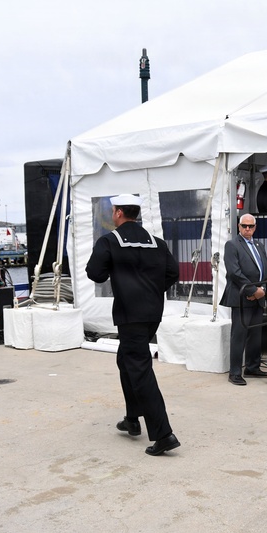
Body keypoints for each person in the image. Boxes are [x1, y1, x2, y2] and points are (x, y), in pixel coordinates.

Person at [85, 194, 182, 456]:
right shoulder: (156, 242)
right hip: (152, 313)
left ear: (118, 213)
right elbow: (173, 273)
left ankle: (163, 434)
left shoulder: (109, 241)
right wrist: (152, 290)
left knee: (140, 369)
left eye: (113, 210)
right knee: (125, 359)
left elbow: (95, 273)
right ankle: (132, 419)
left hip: (130, 315)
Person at [222, 213, 267, 385]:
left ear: (255, 227)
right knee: (239, 335)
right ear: (239, 226)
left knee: (255, 335)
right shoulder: (232, 245)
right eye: (244, 226)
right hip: (241, 297)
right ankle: (235, 372)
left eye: (250, 226)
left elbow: (266, 269)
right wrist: (252, 290)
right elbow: (234, 272)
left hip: (258, 296)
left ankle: (252, 367)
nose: (247, 229)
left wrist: (262, 289)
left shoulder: (259, 245)